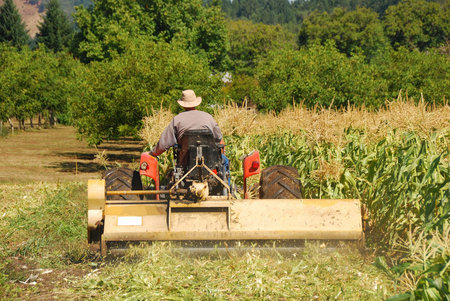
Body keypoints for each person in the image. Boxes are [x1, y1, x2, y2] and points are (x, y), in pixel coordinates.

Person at [149, 89, 225, 158]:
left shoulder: (177, 119)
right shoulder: (208, 117)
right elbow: (219, 138)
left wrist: (153, 153)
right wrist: (221, 156)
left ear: (183, 104)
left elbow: (163, 144)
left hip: (185, 161)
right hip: (209, 160)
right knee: (225, 161)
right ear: (196, 103)